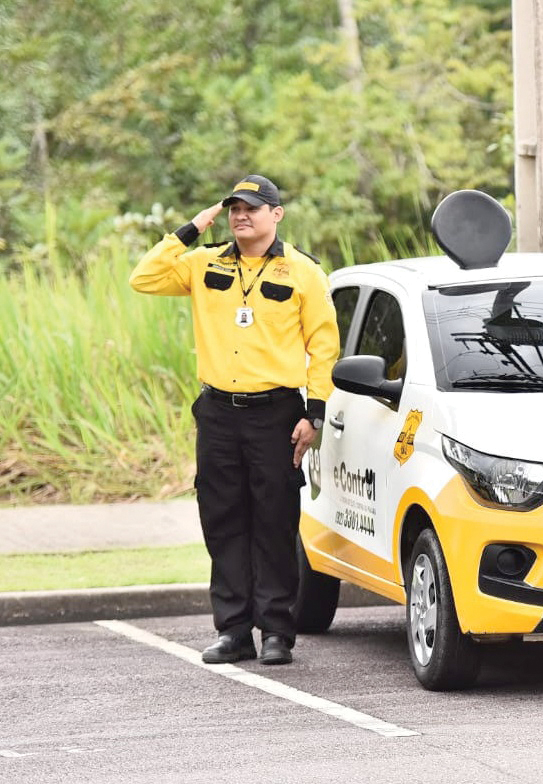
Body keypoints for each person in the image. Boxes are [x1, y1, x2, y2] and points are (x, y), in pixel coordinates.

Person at [130, 174, 340, 665]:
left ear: (276, 214)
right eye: (232, 209)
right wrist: (191, 228)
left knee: (274, 521)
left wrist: (316, 413)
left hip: (277, 415)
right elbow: (144, 278)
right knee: (222, 521)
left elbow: (324, 346)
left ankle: (276, 633)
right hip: (219, 413)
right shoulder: (203, 263)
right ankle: (233, 631)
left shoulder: (304, 271)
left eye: (252, 207)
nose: (240, 215)